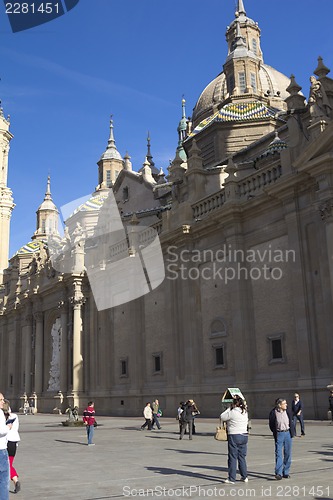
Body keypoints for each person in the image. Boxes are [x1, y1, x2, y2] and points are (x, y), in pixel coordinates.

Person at [220, 395, 249, 484]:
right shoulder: (244, 412)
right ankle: (244, 476)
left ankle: (232, 478)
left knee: (232, 457)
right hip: (244, 435)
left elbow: (222, 416)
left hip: (234, 435)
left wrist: (229, 408)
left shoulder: (232, 412)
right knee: (242, 457)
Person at [269, 398, 296, 480]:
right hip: (279, 434)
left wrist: (292, 432)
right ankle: (278, 473)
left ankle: (286, 472)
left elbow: (291, 422)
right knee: (278, 453)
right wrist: (275, 432)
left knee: (288, 453)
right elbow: (271, 424)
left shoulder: (287, 411)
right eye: (284, 403)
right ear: (279, 405)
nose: (286, 405)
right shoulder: (273, 413)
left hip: (287, 433)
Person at [2, 401, 20, 493]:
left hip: (5, 443)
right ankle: (16, 481)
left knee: (6, 465)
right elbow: (16, 428)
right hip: (14, 442)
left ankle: (12, 482)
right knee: (9, 464)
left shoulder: (2, 417)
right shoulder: (15, 416)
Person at [0, 392, 12, 500]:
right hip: (1, 450)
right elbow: (1, 430)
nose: (3, 402)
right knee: (3, 481)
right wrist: (8, 427)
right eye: (1, 400)